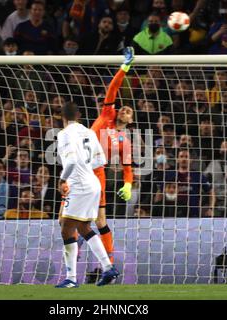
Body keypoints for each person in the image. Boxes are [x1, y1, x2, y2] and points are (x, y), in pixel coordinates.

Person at [56, 101, 118, 288]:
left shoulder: (64, 134)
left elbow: (72, 161)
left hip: (79, 184)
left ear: (62, 117)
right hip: (94, 183)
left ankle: (71, 278)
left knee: (66, 228)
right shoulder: (89, 132)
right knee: (84, 227)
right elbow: (102, 159)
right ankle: (108, 267)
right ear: (79, 116)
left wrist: (62, 180)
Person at [87, 47, 135, 263]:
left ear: (131, 121)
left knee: (100, 221)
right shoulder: (107, 113)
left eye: (129, 112)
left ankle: (110, 265)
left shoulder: (124, 141)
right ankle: (74, 262)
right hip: (79, 168)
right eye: (123, 108)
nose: (124, 110)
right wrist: (124, 67)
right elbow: (113, 87)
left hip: (97, 175)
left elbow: (127, 169)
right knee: (70, 220)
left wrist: (128, 184)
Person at [166, 148, 215, 217]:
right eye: (181, 156)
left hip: (193, 215)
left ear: (191, 160)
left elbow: (211, 192)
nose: (184, 159)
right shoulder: (170, 175)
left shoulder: (198, 175)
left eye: (186, 157)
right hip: (172, 214)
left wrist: (211, 208)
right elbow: (161, 192)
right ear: (177, 160)